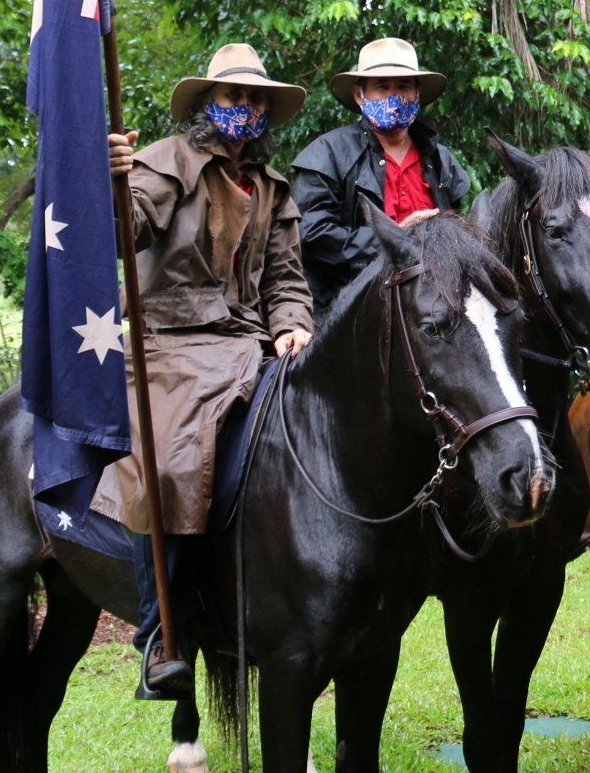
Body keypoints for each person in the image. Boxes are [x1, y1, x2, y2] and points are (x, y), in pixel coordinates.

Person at [97, 43, 313, 699]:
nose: (244, 108)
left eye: (254, 100)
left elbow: (286, 278)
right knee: (166, 462)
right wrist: (108, 178)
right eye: (231, 97)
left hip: (251, 345)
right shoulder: (166, 162)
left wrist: (291, 323)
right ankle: (161, 634)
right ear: (206, 105)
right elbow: (119, 232)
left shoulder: (273, 190)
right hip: (172, 345)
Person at [290, 37, 473, 319]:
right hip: (349, 310)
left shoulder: (441, 160)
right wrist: (394, 240)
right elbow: (312, 235)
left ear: (417, 94)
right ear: (358, 94)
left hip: (433, 308)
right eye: (382, 87)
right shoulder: (327, 154)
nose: (394, 97)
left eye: (403, 87)